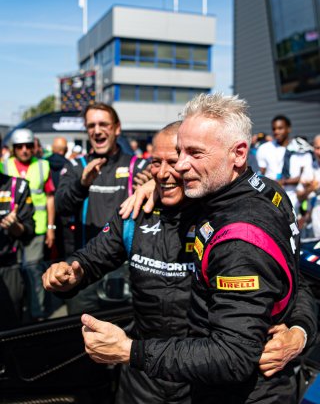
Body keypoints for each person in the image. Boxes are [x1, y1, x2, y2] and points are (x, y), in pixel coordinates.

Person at [43, 119, 314, 403]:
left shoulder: (222, 217)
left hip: (202, 380)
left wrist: (299, 333)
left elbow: (295, 283)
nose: (163, 173)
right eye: (155, 163)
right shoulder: (137, 211)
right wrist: (69, 272)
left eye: (172, 161)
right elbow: (91, 259)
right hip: (142, 378)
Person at [54, 102, 149, 312]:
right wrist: (81, 185)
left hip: (127, 271)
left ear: (117, 128)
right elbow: (61, 208)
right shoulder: (75, 166)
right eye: (91, 126)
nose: (96, 131)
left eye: (103, 124)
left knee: (123, 339)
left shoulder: (140, 166)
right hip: (84, 269)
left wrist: (153, 188)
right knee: (82, 339)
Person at [0, 128, 55, 319]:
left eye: (29, 146)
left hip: (36, 228)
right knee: (13, 275)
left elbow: (50, 198)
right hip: (7, 231)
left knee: (33, 273)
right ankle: (17, 310)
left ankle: (36, 314)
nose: (24, 150)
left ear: (34, 146)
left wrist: (50, 228)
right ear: (13, 149)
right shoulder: (4, 166)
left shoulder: (42, 166)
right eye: (20, 146)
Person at [0, 138, 35, 330]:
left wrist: (14, 226)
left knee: (11, 325)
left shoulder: (16, 186)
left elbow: (28, 231)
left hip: (8, 266)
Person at [256, 115, 313, 213]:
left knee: (295, 224)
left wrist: (283, 182)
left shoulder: (301, 149)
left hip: (295, 196)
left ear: (288, 129)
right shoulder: (264, 148)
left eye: (280, 128)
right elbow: (260, 175)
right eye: (274, 129)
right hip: (273, 195)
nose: (276, 132)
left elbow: (304, 178)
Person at [297, 134, 320, 237]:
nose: (319, 152)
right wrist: (310, 189)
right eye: (317, 148)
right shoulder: (309, 169)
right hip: (315, 224)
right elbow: (299, 197)